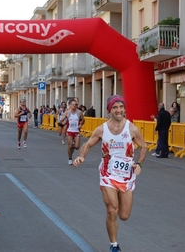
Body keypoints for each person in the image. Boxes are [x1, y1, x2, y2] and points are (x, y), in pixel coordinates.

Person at [72, 95, 146, 252]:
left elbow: (143, 146)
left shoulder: (131, 128)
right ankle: (114, 245)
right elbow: (87, 144)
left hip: (126, 175)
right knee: (112, 209)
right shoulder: (102, 129)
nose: (118, 110)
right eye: (115, 107)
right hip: (108, 174)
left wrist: (139, 163)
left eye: (121, 107)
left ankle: (114, 237)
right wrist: (81, 156)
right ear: (109, 110)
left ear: (124, 109)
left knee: (124, 215)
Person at [59, 99, 85, 165]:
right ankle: (70, 159)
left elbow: (83, 120)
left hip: (76, 131)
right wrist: (61, 122)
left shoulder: (79, 112)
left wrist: (81, 124)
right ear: (70, 105)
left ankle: (72, 148)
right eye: (72, 104)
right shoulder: (67, 112)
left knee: (77, 147)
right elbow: (62, 119)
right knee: (70, 145)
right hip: (70, 131)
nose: (74, 106)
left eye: (75, 104)